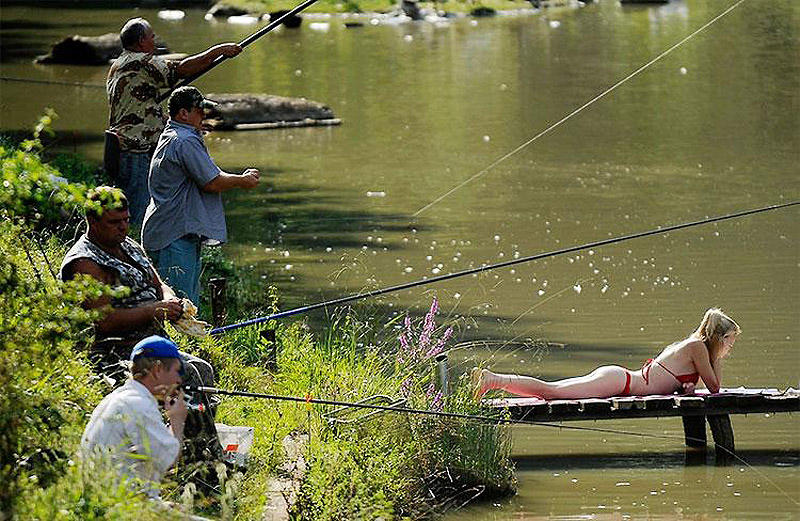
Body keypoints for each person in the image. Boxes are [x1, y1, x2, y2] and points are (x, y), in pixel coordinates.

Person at [60, 187, 224, 464]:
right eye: (114, 222)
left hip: (153, 345)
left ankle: (198, 449)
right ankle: (195, 462)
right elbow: (104, 321)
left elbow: (158, 283)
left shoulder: (128, 245)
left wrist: (172, 302)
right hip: (116, 352)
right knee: (189, 376)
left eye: (125, 219)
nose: (123, 227)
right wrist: (153, 311)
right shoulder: (84, 262)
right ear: (93, 220)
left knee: (204, 369)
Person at [107, 17, 242, 226]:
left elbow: (142, 106)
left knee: (131, 207)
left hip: (121, 147)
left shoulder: (117, 65)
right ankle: (139, 253)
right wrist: (219, 51)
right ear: (142, 41)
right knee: (137, 211)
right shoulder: (141, 61)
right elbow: (182, 70)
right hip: (135, 149)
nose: (154, 40)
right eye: (152, 36)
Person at [141, 86, 260, 305]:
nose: (203, 116)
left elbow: (210, 175)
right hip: (173, 236)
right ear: (183, 113)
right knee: (180, 307)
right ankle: (183, 341)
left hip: (169, 231)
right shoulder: (185, 140)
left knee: (174, 304)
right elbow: (212, 182)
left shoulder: (173, 134)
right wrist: (241, 181)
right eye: (199, 111)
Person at [474, 308, 741, 399]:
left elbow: (682, 383)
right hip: (621, 381)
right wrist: (717, 356)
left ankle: (493, 379)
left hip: (620, 379)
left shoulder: (695, 347)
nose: (730, 347)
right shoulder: (698, 348)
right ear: (718, 337)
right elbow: (715, 389)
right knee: (551, 392)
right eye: (729, 341)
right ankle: (492, 379)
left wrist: (685, 388)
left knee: (551, 390)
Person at [80, 335, 187, 500]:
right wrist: (177, 420)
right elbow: (167, 461)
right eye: (176, 371)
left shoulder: (118, 398)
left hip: (103, 501)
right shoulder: (139, 405)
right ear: (157, 369)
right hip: (121, 508)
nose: (179, 379)